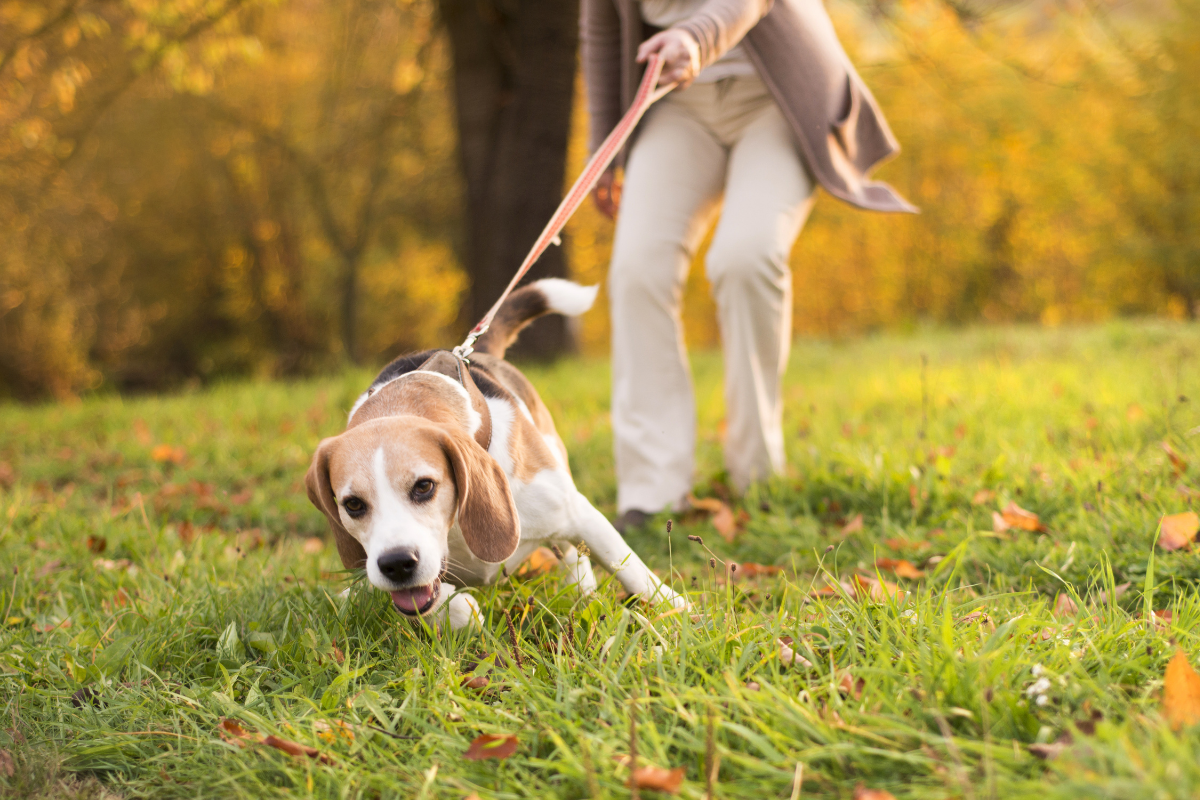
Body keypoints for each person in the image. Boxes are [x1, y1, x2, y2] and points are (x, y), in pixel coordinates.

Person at [581, 0, 915, 531]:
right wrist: (605, 145)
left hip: (779, 95)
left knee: (746, 256)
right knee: (637, 270)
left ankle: (756, 471)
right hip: (678, 103)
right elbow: (602, 28)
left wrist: (694, 37)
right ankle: (652, 491)